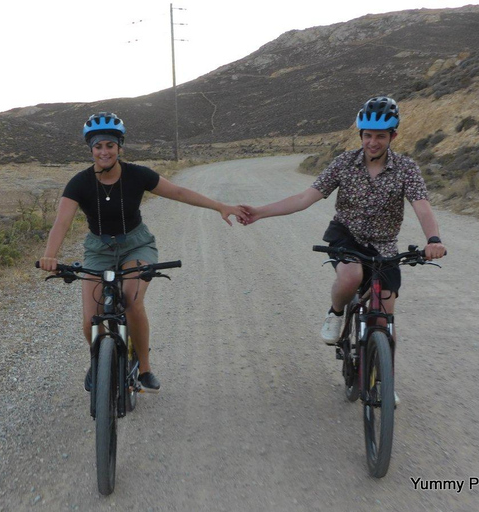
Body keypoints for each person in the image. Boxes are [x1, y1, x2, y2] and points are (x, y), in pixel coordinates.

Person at [238, 96, 447, 404]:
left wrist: (433, 240)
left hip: (384, 244)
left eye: (380, 136)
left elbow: (422, 207)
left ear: (393, 136)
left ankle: (382, 380)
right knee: (350, 276)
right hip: (346, 236)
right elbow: (303, 198)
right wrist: (259, 212)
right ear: (360, 135)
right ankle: (336, 313)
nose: (372, 142)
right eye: (367, 135)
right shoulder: (344, 164)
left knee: (385, 320)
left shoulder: (406, 169)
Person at [39, 112, 244, 392]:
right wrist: (50, 255)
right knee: (90, 319)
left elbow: (180, 193)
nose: (104, 151)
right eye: (98, 146)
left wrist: (219, 206)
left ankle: (145, 367)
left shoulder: (137, 174)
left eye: (110, 145)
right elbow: (61, 222)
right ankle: (98, 358)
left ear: (119, 147)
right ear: (91, 149)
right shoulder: (79, 183)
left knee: (132, 301)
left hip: (137, 244)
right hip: (98, 249)